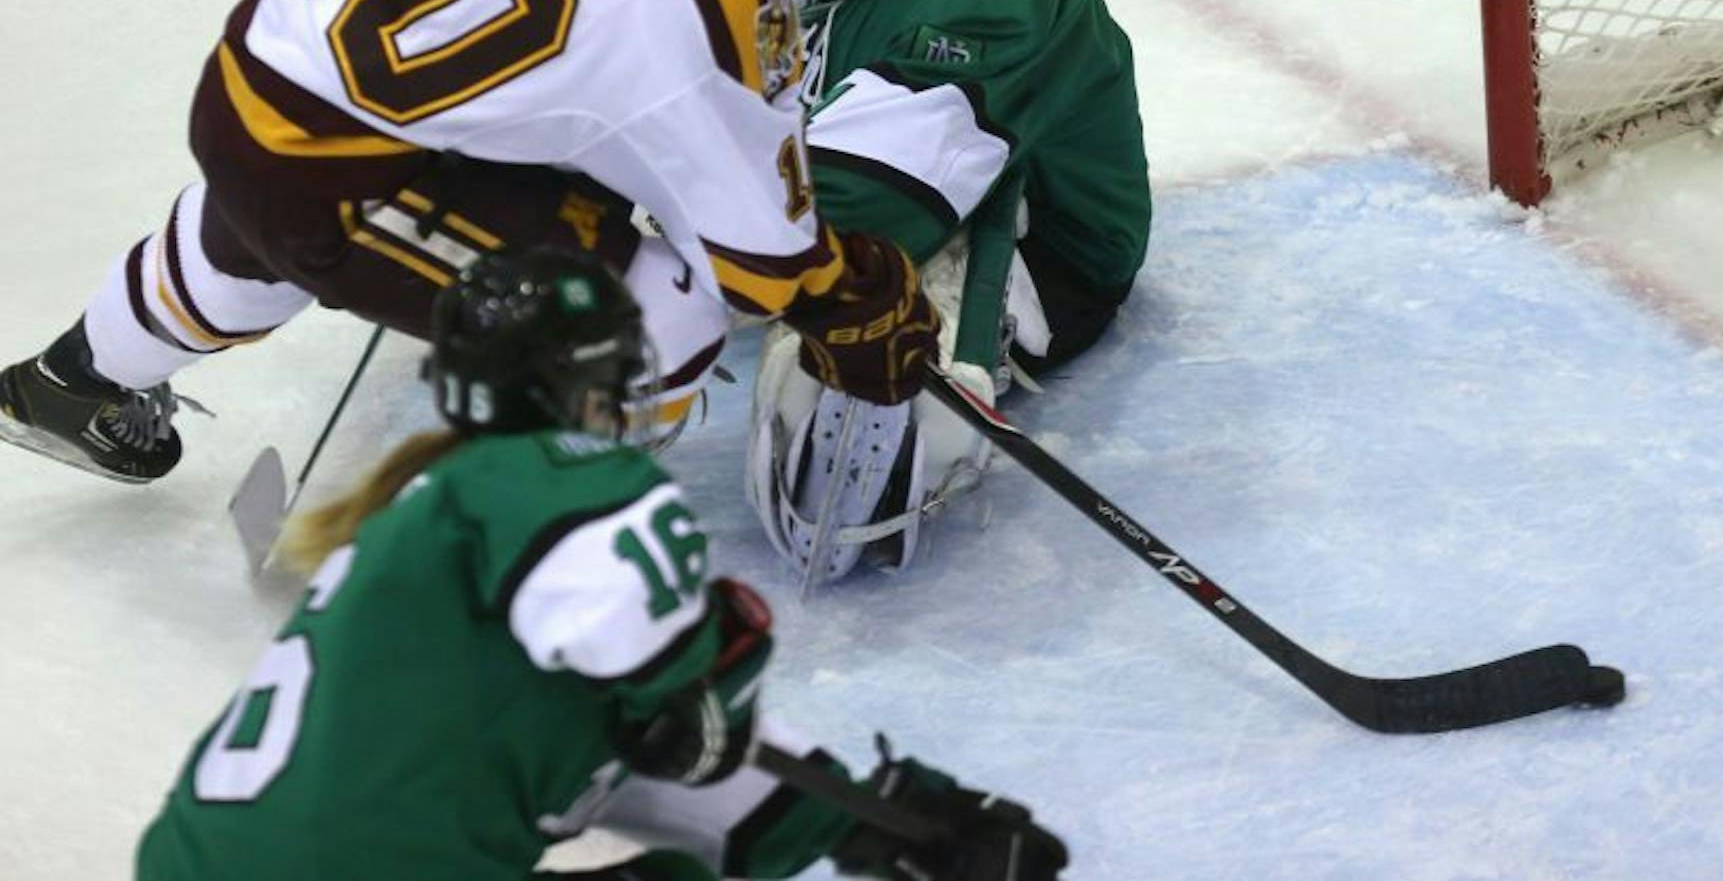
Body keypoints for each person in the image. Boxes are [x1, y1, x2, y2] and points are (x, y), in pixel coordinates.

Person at [0, 0, 937, 486]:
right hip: (344, 181)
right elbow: (759, 258)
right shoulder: (702, 15)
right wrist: (855, 301)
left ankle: (76, 377)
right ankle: (483, 558)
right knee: (660, 327)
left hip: (265, 62)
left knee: (257, 221)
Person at [136, 249, 1068, 881]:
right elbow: (659, 673)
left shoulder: (434, 543)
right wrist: (711, 666)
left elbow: (687, 768)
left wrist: (889, 817)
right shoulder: (552, 489)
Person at [744, 0, 1151, 582]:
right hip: (952, 136)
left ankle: (953, 379)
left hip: (1044, 231)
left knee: (848, 381)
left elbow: (843, 214)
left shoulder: (978, 20)